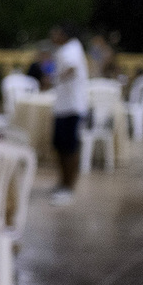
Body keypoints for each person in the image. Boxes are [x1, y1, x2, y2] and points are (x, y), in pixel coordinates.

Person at [50, 24, 89, 205]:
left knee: (69, 148)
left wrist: (56, 78)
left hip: (72, 108)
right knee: (61, 147)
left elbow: (72, 68)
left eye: (56, 32)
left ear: (64, 34)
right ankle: (63, 183)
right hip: (64, 107)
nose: (53, 35)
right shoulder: (69, 48)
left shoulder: (71, 48)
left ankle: (68, 187)